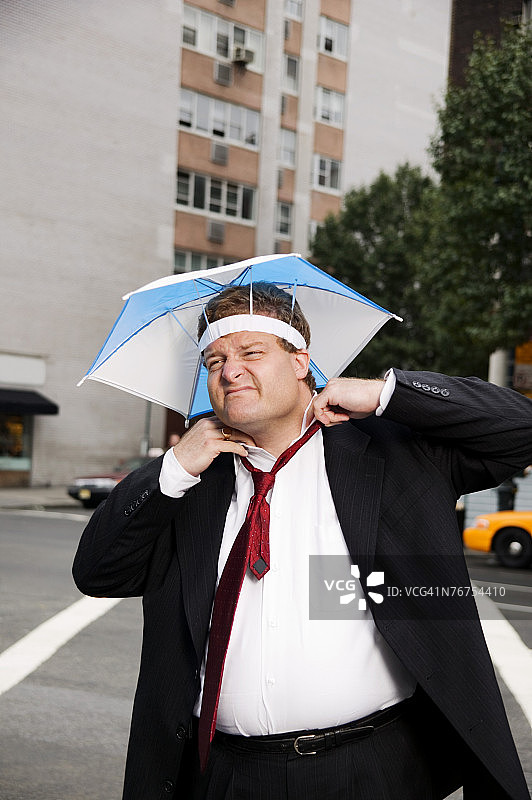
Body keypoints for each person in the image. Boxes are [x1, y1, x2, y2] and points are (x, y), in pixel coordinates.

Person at [73, 283, 532, 800]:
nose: (229, 371)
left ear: (300, 363)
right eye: (214, 359)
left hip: (374, 769)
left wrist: (385, 393)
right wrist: (174, 468)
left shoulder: (394, 456)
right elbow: (98, 572)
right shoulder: (189, 485)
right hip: (221, 776)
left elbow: (519, 429)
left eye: (252, 352)